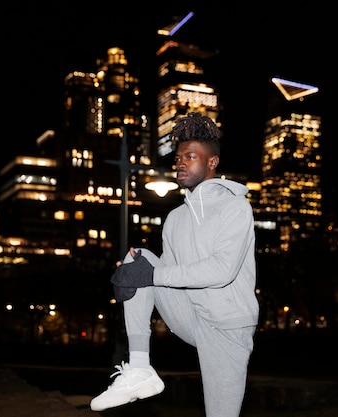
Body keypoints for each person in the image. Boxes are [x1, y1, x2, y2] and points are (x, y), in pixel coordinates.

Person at [90, 112, 260, 417]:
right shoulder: (175, 219)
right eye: (178, 157)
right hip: (191, 314)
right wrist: (133, 281)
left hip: (228, 326)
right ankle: (140, 370)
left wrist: (151, 275)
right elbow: (164, 275)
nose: (180, 163)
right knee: (136, 259)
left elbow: (222, 271)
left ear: (212, 163)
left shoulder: (235, 208)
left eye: (190, 156)